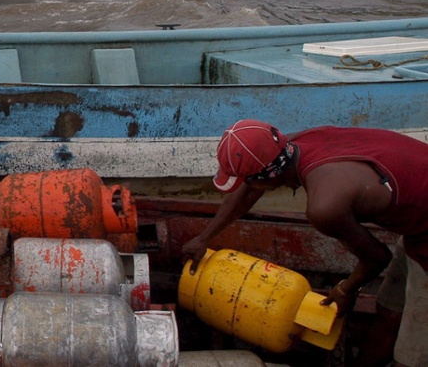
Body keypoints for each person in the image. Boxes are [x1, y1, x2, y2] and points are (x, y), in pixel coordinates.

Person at [182, 119, 428, 366]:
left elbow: (376, 258)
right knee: (389, 312)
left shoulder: (325, 207)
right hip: (417, 222)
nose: (247, 187)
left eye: (247, 179)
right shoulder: (297, 142)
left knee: (411, 356)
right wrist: (204, 237)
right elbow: (249, 189)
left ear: (268, 177)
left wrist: (345, 289)